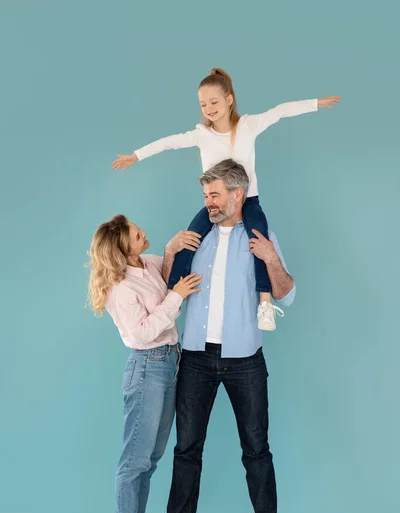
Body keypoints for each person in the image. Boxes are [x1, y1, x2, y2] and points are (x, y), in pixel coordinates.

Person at [112, 67, 339, 330]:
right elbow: (168, 142)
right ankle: (172, 292)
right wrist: (135, 156)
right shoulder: (201, 135)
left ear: (229, 100)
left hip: (248, 201)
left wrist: (316, 104)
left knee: (260, 242)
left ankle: (265, 303)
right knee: (189, 240)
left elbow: (279, 111)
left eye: (214, 102)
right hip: (214, 205)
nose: (208, 108)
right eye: (203, 104)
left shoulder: (248, 126)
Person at [151, 159, 295, 513]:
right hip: (196, 358)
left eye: (214, 194)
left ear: (237, 195)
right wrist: (168, 252)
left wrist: (270, 258)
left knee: (256, 449)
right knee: (186, 449)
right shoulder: (197, 239)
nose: (208, 202)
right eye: (205, 196)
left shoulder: (261, 236)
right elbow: (167, 289)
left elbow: (285, 291)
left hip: (245, 359)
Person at [87, 214, 202, 513]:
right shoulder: (122, 287)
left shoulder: (145, 264)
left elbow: (165, 272)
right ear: (124, 249)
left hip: (170, 362)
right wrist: (177, 297)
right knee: (134, 457)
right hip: (147, 365)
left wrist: (170, 248)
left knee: (151, 456)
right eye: (138, 235)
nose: (144, 234)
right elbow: (141, 332)